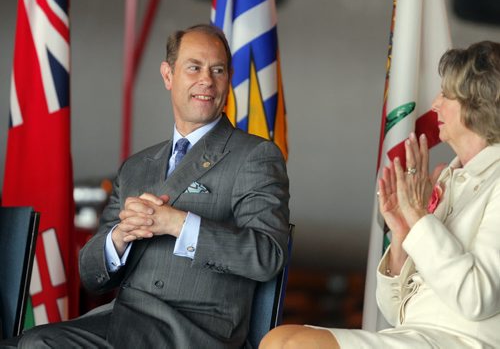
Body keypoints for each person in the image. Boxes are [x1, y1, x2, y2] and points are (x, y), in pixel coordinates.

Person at [2, 23, 289, 348]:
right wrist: (119, 238)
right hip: (123, 320)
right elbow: (92, 275)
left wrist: (178, 223)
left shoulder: (254, 155)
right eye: (194, 67)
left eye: (218, 70)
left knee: (39, 345)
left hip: (193, 332)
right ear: (168, 75)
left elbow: (267, 255)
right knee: (21, 343)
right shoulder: (137, 167)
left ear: (228, 79)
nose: (206, 79)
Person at [260, 41, 500, 348]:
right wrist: (402, 232)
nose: (436, 103)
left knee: (288, 344)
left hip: (460, 342)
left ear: (478, 104)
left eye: (447, 95)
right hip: (413, 336)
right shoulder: (449, 179)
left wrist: (418, 215)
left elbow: (476, 298)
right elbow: (395, 310)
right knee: (281, 339)